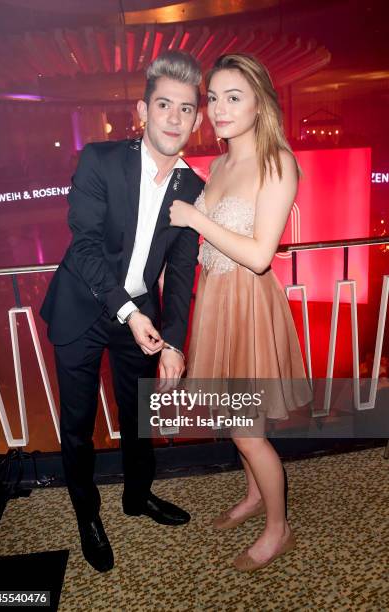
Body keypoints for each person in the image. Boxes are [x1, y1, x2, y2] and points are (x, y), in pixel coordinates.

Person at [40, 50, 204, 572]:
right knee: (78, 424)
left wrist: (174, 341)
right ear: (143, 110)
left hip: (142, 317)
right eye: (164, 105)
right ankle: (88, 514)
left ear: (197, 119)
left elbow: (180, 272)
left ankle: (137, 497)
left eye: (185, 108)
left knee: (139, 417)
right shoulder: (100, 159)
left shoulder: (193, 188)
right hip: (83, 310)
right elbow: (84, 246)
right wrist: (129, 314)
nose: (174, 118)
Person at [169, 53, 312, 572]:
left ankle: (279, 529)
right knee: (235, 419)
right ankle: (254, 497)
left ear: (260, 103)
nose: (220, 109)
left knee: (247, 430)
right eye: (214, 98)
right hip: (215, 300)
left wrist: (193, 219)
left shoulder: (278, 162)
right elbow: (211, 247)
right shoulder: (220, 163)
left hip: (248, 304)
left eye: (234, 97)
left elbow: (258, 255)